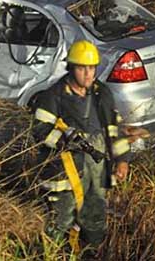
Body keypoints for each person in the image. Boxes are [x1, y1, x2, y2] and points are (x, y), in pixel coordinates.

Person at [31, 40, 134, 254]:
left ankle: (91, 252)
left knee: (95, 215)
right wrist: (65, 140)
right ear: (71, 68)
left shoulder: (102, 94)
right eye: (82, 68)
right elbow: (40, 129)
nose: (88, 74)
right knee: (61, 217)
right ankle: (49, 254)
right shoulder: (54, 96)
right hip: (66, 168)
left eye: (92, 68)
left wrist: (122, 159)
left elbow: (113, 128)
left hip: (96, 167)